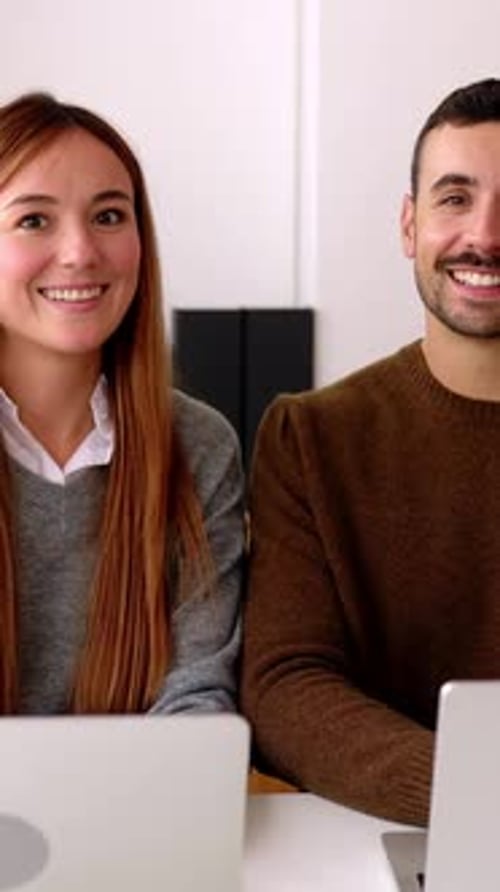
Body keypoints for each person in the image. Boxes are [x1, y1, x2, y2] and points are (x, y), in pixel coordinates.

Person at [241, 77, 500, 827]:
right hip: (384, 842)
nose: (485, 235)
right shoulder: (309, 438)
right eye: (455, 198)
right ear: (410, 225)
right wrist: (472, 794)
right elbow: (283, 684)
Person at [0, 92, 244, 716]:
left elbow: (197, 692)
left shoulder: (199, 445)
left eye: (109, 215)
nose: (80, 251)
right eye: (34, 220)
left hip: (145, 783)